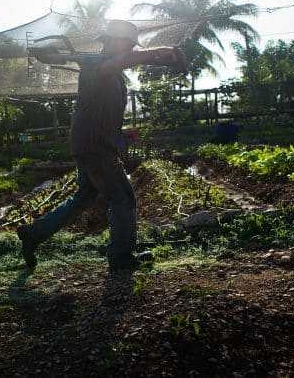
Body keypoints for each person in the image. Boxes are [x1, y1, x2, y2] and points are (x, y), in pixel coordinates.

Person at [17, 20, 186, 270]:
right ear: (116, 43)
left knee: (84, 198)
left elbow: (120, 72)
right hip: (95, 144)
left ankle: (35, 233)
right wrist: (155, 52)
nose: (129, 49)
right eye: (127, 44)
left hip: (90, 141)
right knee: (122, 196)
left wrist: (165, 57)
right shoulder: (95, 63)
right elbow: (121, 62)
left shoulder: (110, 68)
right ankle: (120, 257)